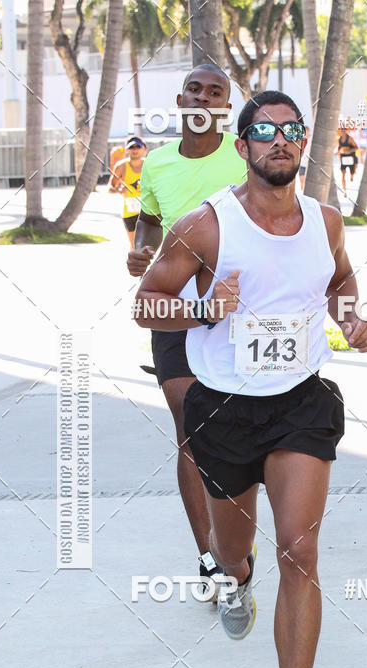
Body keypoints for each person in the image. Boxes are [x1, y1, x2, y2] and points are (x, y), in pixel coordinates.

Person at [134, 90, 367, 668]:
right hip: (223, 408)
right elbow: (146, 306)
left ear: (303, 145)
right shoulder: (205, 226)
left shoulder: (326, 221)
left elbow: (340, 280)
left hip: (300, 402)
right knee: (234, 550)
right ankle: (234, 579)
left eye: (291, 131)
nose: (280, 140)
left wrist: (352, 318)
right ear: (241, 147)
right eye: (265, 131)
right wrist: (206, 309)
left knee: (299, 550)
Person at [127, 64, 247, 579]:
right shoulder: (155, 164)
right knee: (190, 428)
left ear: (225, 106)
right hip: (176, 312)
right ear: (180, 100)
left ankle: (236, 535)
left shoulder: (245, 158)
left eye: (214, 92)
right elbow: (148, 220)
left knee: (239, 430)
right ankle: (211, 556)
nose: (203, 98)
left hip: (241, 312)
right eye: (194, 89)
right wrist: (141, 252)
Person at [109, 136, 147, 248]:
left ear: (143, 149)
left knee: (147, 245)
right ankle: (135, 264)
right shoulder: (121, 166)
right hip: (130, 211)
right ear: (127, 150)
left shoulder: (149, 165)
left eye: (138, 147)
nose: (135, 150)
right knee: (135, 245)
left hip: (147, 211)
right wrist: (119, 190)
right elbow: (110, 188)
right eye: (132, 147)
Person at [336, 126, 359, 192]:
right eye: (340, 130)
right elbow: (339, 148)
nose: (341, 132)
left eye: (343, 130)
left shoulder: (350, 139)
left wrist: (348, 151)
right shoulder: (339, 139)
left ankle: (352, 177)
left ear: (346, 131)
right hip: (343, 157)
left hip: (351, 156)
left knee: (352, 172)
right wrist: (338, 153)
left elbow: (356, 147)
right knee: (343, 173)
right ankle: (344, 188)